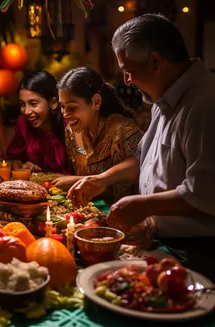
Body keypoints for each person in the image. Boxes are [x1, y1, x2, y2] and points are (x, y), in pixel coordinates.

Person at [68, 14, 215, 281]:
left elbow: (204, 193)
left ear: (155, 61)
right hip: (167, 241)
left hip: (200, 251)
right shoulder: (165, 99)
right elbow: (142, 158)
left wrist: (142, 205)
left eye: (127, 69)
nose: (126, 80)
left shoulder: (204, 102)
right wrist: (102, 179)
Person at [52, 66, 143, 200]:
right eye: (62, 106)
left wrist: (78, 181)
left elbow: (144, 167)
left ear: (95, 102)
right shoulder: (71, 131)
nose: (65, 114)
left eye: (72, 107)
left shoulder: (122, 130)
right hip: (88, 211)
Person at [6, 70, 71, 174]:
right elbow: (13, 159)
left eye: (33, 103)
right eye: (22, 104)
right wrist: (23, 166)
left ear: (53, 103)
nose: (26, 111)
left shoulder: (70, 124)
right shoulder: (23, 123)